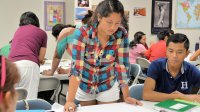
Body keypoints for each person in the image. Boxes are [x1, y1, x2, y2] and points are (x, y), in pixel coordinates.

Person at [64, 0, 142, 111]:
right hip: (85, 83)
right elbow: (77, 69)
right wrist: (69, 101)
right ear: (99, 17)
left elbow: (122, 65)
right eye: (109, 22)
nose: (113, 27)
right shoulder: (83, 33)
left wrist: (126, 96)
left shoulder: (121, 34)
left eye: (117, 23)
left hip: (107, 83)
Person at [143, 33, 200, 102]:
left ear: (186, 54)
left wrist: (182, 97)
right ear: (166, 51)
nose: (174, 55)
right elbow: (146, 94)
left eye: (179, 52)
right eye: (171, 51)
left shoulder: (191, 70)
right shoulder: (156, 66)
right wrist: (175, 97)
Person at [9, 11, 47, 99]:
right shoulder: (42, 33)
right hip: (29, 66)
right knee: (29, 101)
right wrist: (41, 60)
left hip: (11, 66)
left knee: (13, 101)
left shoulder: (17, 31)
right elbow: (41, 58)